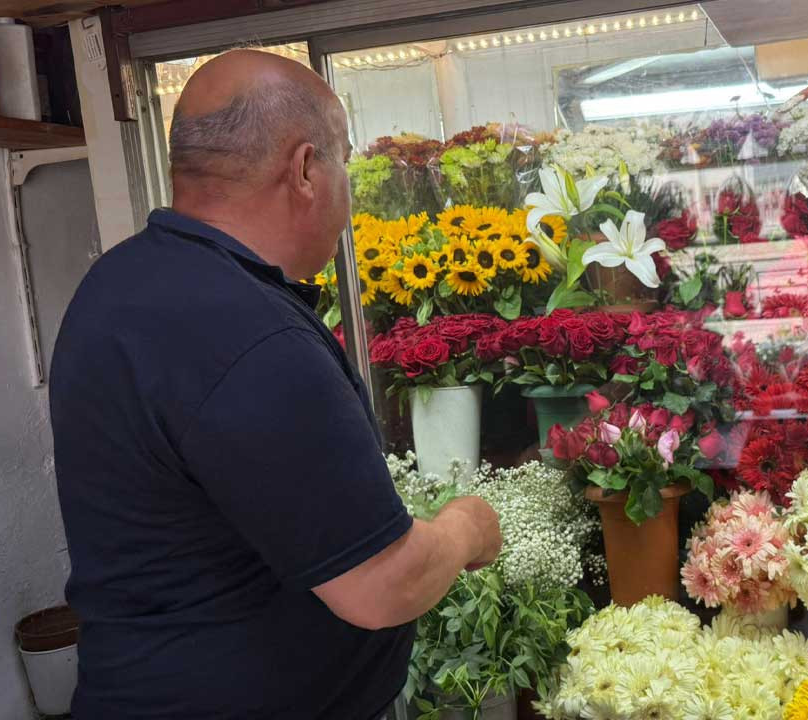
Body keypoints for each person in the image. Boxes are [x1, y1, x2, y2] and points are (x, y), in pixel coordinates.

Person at [49, 50, 501, 720]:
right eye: (343, 158)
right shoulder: (248, 334)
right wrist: (465, 528)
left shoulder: (119, 283)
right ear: (307, 169)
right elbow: (381, 585)